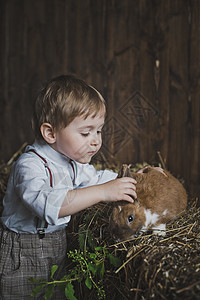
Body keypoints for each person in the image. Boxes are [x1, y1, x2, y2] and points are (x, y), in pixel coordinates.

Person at [0, 74, 137, 299]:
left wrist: (133, 179)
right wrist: (103, 193)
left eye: (99, 131)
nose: (95, 141)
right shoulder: (30, 166)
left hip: (56, 245)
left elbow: (97, 178)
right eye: (85, 133)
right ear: (51, 133)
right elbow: (46, 205)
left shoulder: (71, 160)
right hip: (23, 252)